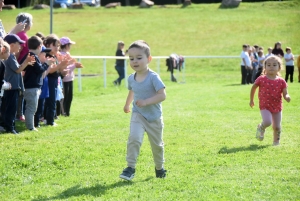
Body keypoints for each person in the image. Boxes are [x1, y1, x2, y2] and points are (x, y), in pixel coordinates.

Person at [119, 40, 167, 181]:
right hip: (138, 114)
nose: (135, 61)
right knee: (134, 138)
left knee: (157, 145)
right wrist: (127, 105)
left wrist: (146, 102)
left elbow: (162, 95)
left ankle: (160, 168)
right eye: (131, 58)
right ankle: (130, 168)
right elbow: (132, 91)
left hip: (154, 117)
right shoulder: (131, 78)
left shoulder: (153, 77)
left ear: (149, 59)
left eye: (139, 58)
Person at [250, 55, 291, 146]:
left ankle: (276, 142)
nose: (271, 67)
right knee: (268, 121)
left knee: (277, 126)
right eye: (268, 65)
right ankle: (261, 127)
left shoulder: (281, 81)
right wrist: (251, 100)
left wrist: (287, 97)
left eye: (274, 65)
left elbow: (285, 93)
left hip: (277, 105)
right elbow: (253, 88)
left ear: (279, 67)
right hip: (264, 105)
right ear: (265, 67)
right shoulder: (261, 79)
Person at [2, 34, 35, 134]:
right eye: (18, 44)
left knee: (7, 108)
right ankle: (10, 127)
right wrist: (26, 62)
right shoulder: (10, 56)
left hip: (10, 87)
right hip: (12, 87)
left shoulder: (10, 56)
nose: (20, 46)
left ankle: (5, 125)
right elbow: (17, 69)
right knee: (11, 109)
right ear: (11, 45)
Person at [22, 36, 54, 131]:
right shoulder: (33, 56)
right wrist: (47, 64)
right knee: (31, 108)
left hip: (28, 86)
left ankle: (30, 126)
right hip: (32, 87)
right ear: (39, 46)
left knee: (31, 108)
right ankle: (30, 127)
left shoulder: (28, 55)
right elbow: (39, 70)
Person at [43, 34, 69, 126]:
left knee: (52, 101)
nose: (57, 48)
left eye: (58, 46)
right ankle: (50, 121)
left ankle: (47, 118)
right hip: (49, 81)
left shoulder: (54, 56)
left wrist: (62, 70)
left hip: (54, 81)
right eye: (55, 45)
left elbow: (56, 69)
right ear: (47, 45)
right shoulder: (47, 56)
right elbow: (50, 70)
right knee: (51, 101)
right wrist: (60, 65)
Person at [15, 13, 33, 122]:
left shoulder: (21, 34)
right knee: (20, 91)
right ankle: (19, 114)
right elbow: (18, 52)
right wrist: (18, 66)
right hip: (20, 66)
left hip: (22, 65)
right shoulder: (23, 35)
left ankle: (19, 113)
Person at [60, 36, 82, 116]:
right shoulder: (61, 55)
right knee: (65, 97)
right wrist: (74, 66)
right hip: (65, 79)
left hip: (70, 78)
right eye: (69, 45)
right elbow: (64, 67)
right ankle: (64, 112)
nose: (70, 47)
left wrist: (75, 65)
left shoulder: (67, 54)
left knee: (70, 96)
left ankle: (67, 112)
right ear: (66, 45)